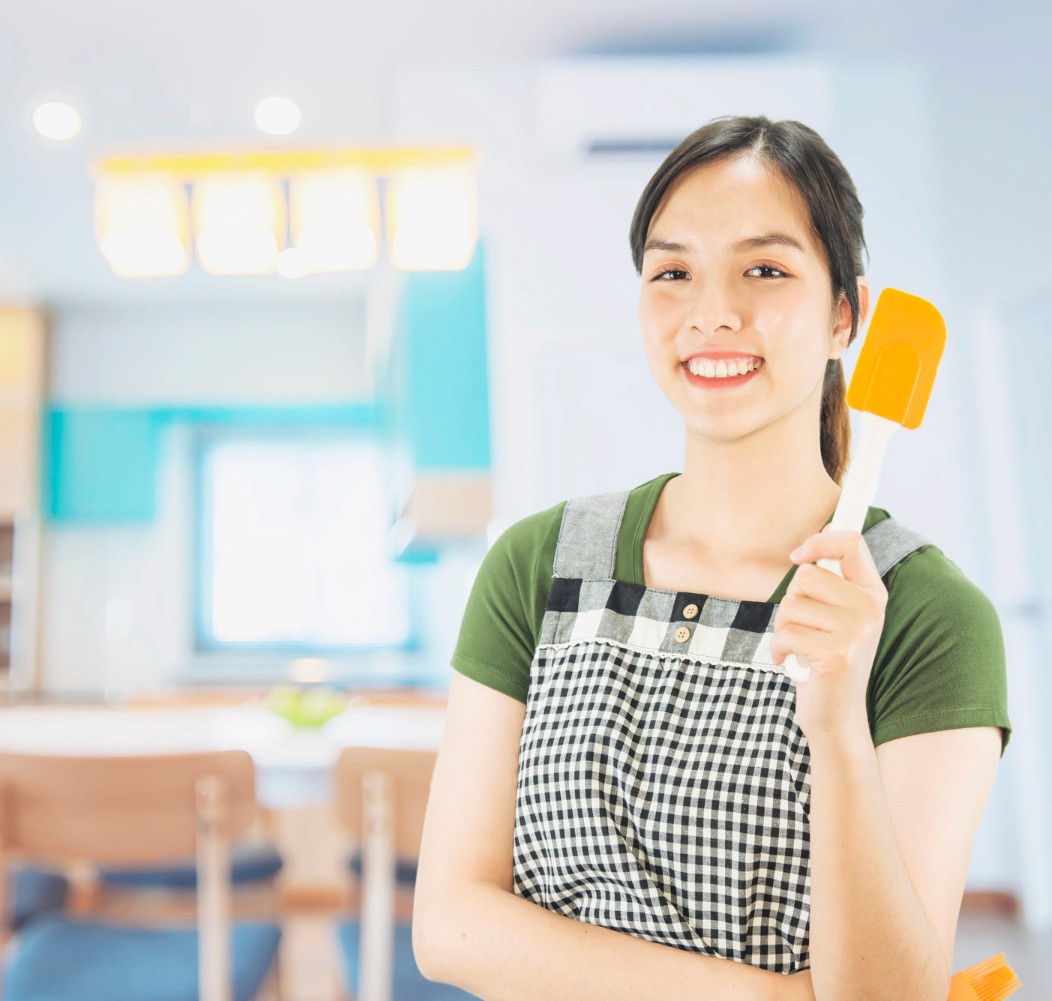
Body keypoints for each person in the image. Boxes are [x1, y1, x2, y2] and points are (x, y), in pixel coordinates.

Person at [412, 115, 1012, 1001]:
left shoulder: (928, 615)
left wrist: (838, 726)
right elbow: (451, 925)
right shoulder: (538, 564)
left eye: (765, 269)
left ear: (847, 313)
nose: (713, 312)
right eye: (673, 272)